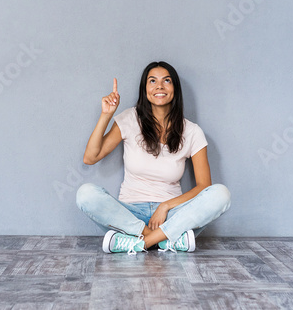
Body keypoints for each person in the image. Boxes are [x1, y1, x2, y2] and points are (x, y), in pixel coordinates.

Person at [76, 61, 231, 255]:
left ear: (175, 88)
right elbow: (90, 158)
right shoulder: (129, 118)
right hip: (130, 215)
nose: (159, 86)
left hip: (173, 215)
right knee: (86, 194)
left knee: (221, 194)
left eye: (166, 80)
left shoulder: (192, 131)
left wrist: (165, 206)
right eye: (152, 81)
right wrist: (106, 115)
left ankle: (138, 243)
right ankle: (166, 241)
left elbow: (204, 186)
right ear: (145, 89)